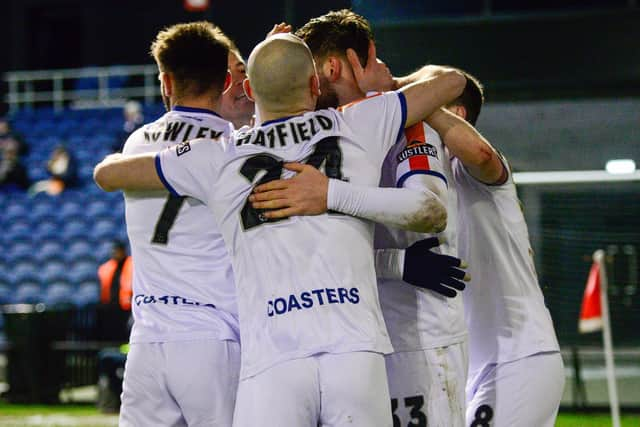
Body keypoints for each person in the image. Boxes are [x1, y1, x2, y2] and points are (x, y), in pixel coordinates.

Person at [94, 33, 466, 426]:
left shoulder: (219, 154)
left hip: (273, 359)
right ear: (313, 85)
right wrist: (383, 89)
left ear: (249, 90)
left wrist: (166, 148)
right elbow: (454, 82)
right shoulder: (359, 121)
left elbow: (109, 174)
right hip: (354, 353)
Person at [251, 11, 470, 425]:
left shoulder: (401, 122)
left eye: (306, 70)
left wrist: (388, 89)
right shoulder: (304, 139)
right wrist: (396, 263)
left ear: (329, 69)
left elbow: (430, 210)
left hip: (417, 335)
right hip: (349, 343)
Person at [113, 22, 241, 427]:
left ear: (165, 81)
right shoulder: (234, 148)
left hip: (148, 340)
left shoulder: (136, 144)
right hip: (213, 334)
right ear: (225, 81)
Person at [428, 72, 564, 427]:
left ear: (456, 113)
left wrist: (398, 91)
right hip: (474, 368)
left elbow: (481, 153)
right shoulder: (431, 179)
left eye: (428, 92)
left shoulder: (473, 170)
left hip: (517, 359)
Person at [98, 240, 133, 311]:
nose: (114, 253)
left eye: (117, 250)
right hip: (112, 306)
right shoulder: (107, 267)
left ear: (123, 251)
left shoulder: (132, 264)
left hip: (128, 305)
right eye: (113, 251)